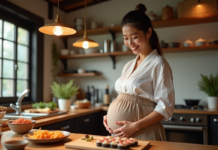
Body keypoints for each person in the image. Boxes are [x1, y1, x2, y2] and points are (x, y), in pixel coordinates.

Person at [103, 4, 175, 141]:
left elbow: (165, 107)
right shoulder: (128, 65)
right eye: (125, 38)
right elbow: (123, 98)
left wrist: (135, 126)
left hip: (142, 131)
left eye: (134, 37)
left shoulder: (159, 63)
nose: (129, 43)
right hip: (120, 134)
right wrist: (109, 115)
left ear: (148, 33)